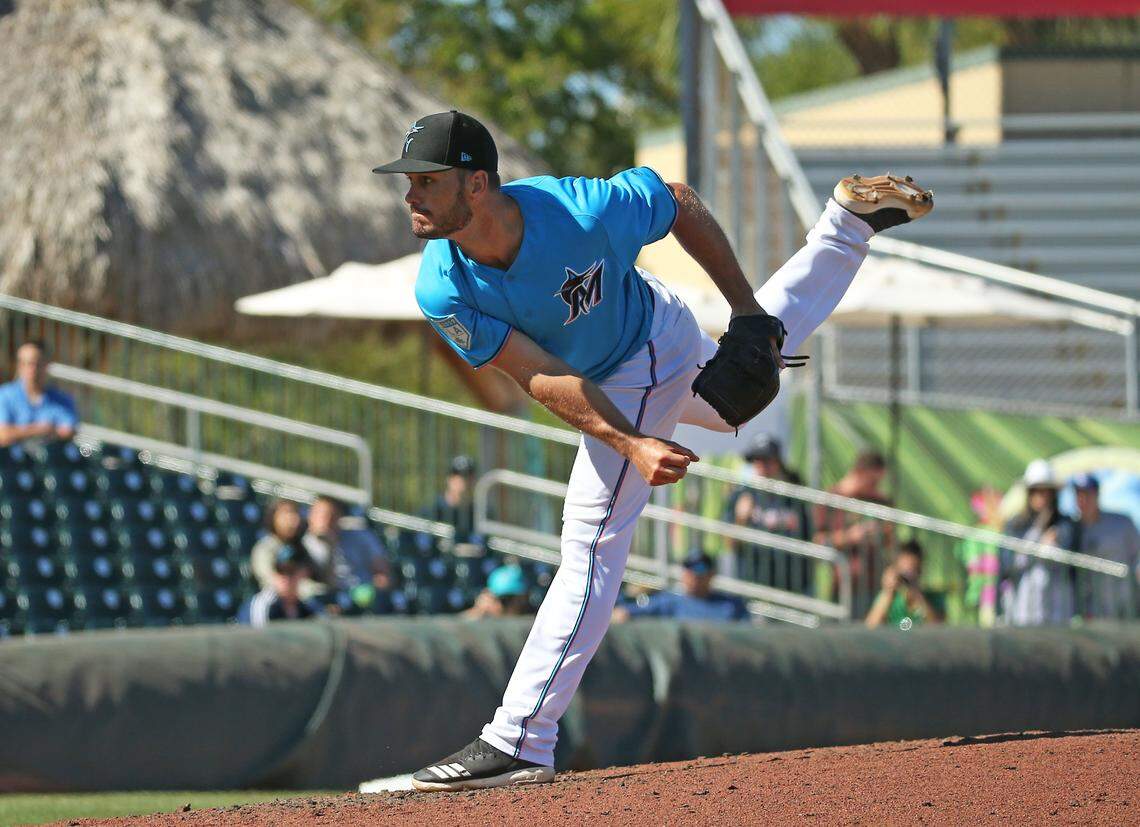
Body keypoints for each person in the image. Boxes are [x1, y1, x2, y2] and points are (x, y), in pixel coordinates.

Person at [371, 110, 932, 790]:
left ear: (479, 184)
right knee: (730, 404)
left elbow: (680, 204)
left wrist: (744, 309)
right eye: (410, 181)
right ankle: (846, 226)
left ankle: (519, 737)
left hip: (645, 346)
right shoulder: (442, 284)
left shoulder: (579, 210)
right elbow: (539, 374)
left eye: (427, 181)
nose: (411, 196)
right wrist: (627, 439)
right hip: (618, 366)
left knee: (590, 546)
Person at [812, 450, 893, 616]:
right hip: (844, 588)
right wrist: (850, 537)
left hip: (876, 586)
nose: (876, 487)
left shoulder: (881, 501)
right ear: (859, 473)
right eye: (873, 481)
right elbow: (818, 541)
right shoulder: (831, 499)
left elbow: (891, 541)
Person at [724, 435, 810, 592]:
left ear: (778, 462)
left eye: (766, 460)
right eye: (756, 460)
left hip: (792, 585)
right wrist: (740, 518)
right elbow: (730, 544)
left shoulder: (795, 494)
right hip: (754, 584)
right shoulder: (743, 494)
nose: (761, 466)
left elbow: (810, 537)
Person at [1000, 459, 1077, 626]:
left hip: (1058, 611)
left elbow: (1073, 565)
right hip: (1023, 610)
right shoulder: (1015, 526)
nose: (1042, 497)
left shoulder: (1065, 525)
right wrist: (1037, 544)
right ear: (1029, 493)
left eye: (1047, 491)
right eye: (1037, 491)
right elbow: (1007, 565)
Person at [1071, 473, 1139, 620]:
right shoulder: (1070, 529)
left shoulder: (1122, 523)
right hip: (1089, 610)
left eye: (1088, 494)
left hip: (1125, 605)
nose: (1084, 500)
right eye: (1079, 494)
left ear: (1097, 495)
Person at [613, 551, 749, 623]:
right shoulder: (671, 601)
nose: (694, 576)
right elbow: (625, 613)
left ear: (711, 574)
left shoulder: (730, 605)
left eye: (700, 569)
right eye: (688, 569)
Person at [302, 496, 391, 593]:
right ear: (310, 516)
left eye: (332, 515)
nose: (327, 521)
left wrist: (376, 589)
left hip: (363, 593)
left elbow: (382, 571)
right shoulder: (303, 545)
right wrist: (331, 546)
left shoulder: (359, 536)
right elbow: (326, 583)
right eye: (321, 515)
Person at [0, 341, 79, 446]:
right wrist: (41, 429)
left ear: (46, 365)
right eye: (26, 363)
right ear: (19, 366)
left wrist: (18, 432)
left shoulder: (62, 399)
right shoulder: (5, 395)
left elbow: (69, 431)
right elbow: (3, 435)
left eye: (37, 364)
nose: (32, 369)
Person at [238, 544, 325, 628]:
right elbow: (258, 639)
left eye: (291, 571)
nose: (285, 578)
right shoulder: (263, 604)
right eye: (280, 571)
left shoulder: (308, 606)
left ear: (304, 573)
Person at [865, 540, 942, 628]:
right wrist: (888, 591)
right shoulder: (888, 598)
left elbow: (938, 628)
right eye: (903, 571)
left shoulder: (933, 598)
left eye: (912, 570)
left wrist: (918, 597)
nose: (906, 577)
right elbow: (870, 627)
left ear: (920, 570)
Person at [250, 499, 317, 595]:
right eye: (287, 513)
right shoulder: (265, 547)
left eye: (296, 514)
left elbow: (308, 572)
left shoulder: (301, 547)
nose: (293, 520)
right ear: (273, 517)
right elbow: (271, 579)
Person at [422, 455, 480, 546]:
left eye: (468, 475)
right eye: (457, 475)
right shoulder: (432, 510)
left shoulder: (480, 513)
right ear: (449, 478)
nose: (463, 479)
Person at [464, 563, 534, 619]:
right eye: (504, 600)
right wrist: (479, 610)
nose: (509, 606)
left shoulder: (531, 622)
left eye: (510, 599)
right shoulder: (483, 617)